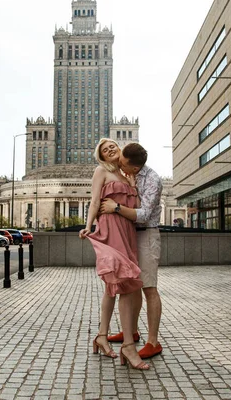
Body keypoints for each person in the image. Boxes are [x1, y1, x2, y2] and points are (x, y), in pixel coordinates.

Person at [79, 138, 149, 370]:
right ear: (101, 156)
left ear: (119, 151)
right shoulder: (101, 171)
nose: (110, 149)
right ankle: (128, 346)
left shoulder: (127, 176)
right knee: (126, 283)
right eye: (104, 149)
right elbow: (94, 200)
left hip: (127, 230)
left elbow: (137, 207)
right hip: (110, 228)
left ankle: (102, 336)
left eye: (113, 147)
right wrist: (89, 225)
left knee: (113, 286)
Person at [100, 142, 164, 359]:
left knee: (149, 288)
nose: (119, 165)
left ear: (135, 168)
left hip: (146, 234)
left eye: (123, 164)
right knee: (131, 286)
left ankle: (153, 342)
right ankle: (132, 332)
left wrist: (116, 208)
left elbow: (144, 214)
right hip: (127, 235)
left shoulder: (153, 180)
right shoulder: (126, 174)